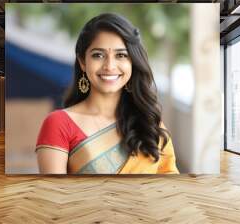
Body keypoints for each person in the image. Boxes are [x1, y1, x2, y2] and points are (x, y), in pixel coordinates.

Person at [35, 13, 179, 174]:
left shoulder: (148, 123)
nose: (110, 66)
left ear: (133, 62)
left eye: (121, 55)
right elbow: (54, 196)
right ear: (83, 61)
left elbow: (171, 188)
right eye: (98, 55)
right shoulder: (59, 124)